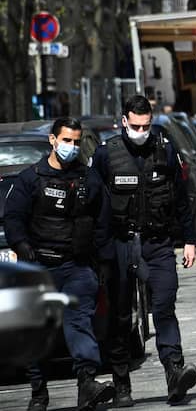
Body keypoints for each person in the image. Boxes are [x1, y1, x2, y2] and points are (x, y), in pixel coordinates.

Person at [92, 95, 196, 406]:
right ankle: (122, 382)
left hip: (158, 243)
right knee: (121, 316)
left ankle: (174, 372)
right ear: (123, 120)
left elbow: (181, 199)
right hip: (121, 244)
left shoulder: (164, 149)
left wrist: (190, 239)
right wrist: (98, 251)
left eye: (146, 125)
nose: (141, 130)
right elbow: (95, 205)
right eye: (135, 125)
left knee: (164, 305)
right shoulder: (105, 155)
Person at [5, 118, 115, 411]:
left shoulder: (89, 179)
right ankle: (39, 392)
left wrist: (103, 263)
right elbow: (13, 217)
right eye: (67, 140)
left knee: (79, 323)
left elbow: (104, 224)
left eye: (77, 142)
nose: (72, 147)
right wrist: (22, 245)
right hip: (39, 266)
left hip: (77, 266)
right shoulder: (30, 178)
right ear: (53, 140)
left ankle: (87, 384)